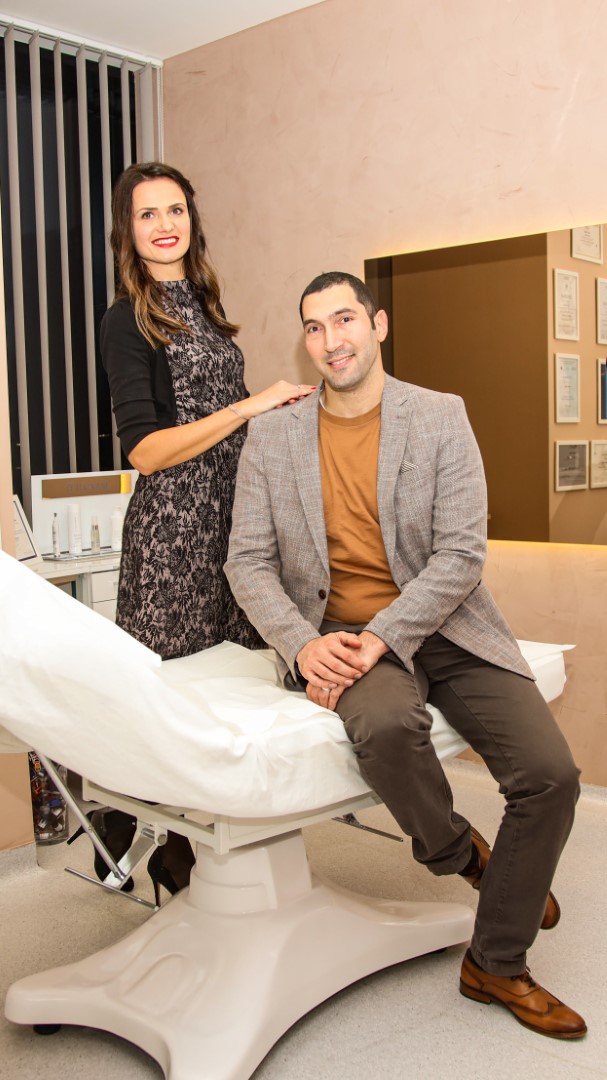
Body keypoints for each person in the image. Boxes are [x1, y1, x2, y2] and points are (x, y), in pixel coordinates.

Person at [225, 270, 586, 1039]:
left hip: (442, 625)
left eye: (344, 320)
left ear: (378, 325)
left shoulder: (438, 416)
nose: (331, 341)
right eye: (314, 327)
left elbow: (460, 554)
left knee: (550, 775)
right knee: (388, 728)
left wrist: (387, 634)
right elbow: (246, 562)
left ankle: (489, 963)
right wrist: (303, 644)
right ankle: (459, 856)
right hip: (336, 636)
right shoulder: (273, 435)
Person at [93, 161, 314, 901]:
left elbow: (227, 418)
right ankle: (152, 840)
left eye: (176, 210)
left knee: (236, 687)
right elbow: (145, 451)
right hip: (173, 535)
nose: (165, 225)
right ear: (128, 231)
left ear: (192, 220)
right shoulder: (126, 320)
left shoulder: (209, 312)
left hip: (233, 522)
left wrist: (275, 414)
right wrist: (248, 408)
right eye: (147, 214)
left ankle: (219, 837)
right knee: (171, 701)